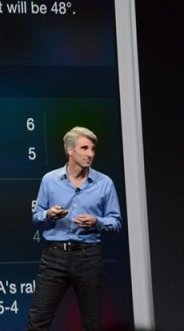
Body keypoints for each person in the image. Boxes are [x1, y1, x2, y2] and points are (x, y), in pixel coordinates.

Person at [26, 126, 122, 331]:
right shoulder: (50, 180)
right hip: (54, 257)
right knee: (38, 320)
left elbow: (116, 222)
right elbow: (36, 219)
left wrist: (97, 222)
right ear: (70, 150)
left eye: (93, 149)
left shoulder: (104, 183)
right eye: (84, 148)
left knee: (92, 323)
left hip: (88, 257)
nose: (90, 154)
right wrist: (49, 215)